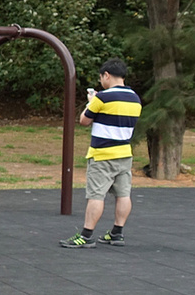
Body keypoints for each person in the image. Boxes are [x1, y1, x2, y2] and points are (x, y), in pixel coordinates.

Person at [60, 58, 142, 248]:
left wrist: (91, 103)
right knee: (123, 194)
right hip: (124, 153)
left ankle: (87, 235)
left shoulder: (102, 97)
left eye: (101, 77)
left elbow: (84, 120)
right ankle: (117, 232)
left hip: (102, 155)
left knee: (96, 195)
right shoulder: (135, 98)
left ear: (106, 75)